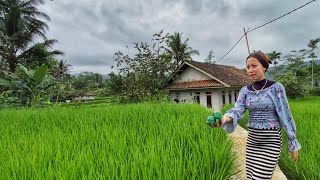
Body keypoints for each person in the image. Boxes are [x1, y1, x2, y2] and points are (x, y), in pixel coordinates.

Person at [212, 51, 301, 180]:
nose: (250, 70)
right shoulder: (245, 91)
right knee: (251, 176)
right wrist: (224, 119)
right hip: (253, 141)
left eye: (254, 66)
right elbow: (237, 110)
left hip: (271, 141)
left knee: (260, 177)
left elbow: (285, 114)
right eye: (248, 67)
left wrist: (292, 141)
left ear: (264, 67)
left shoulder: (276, 88)